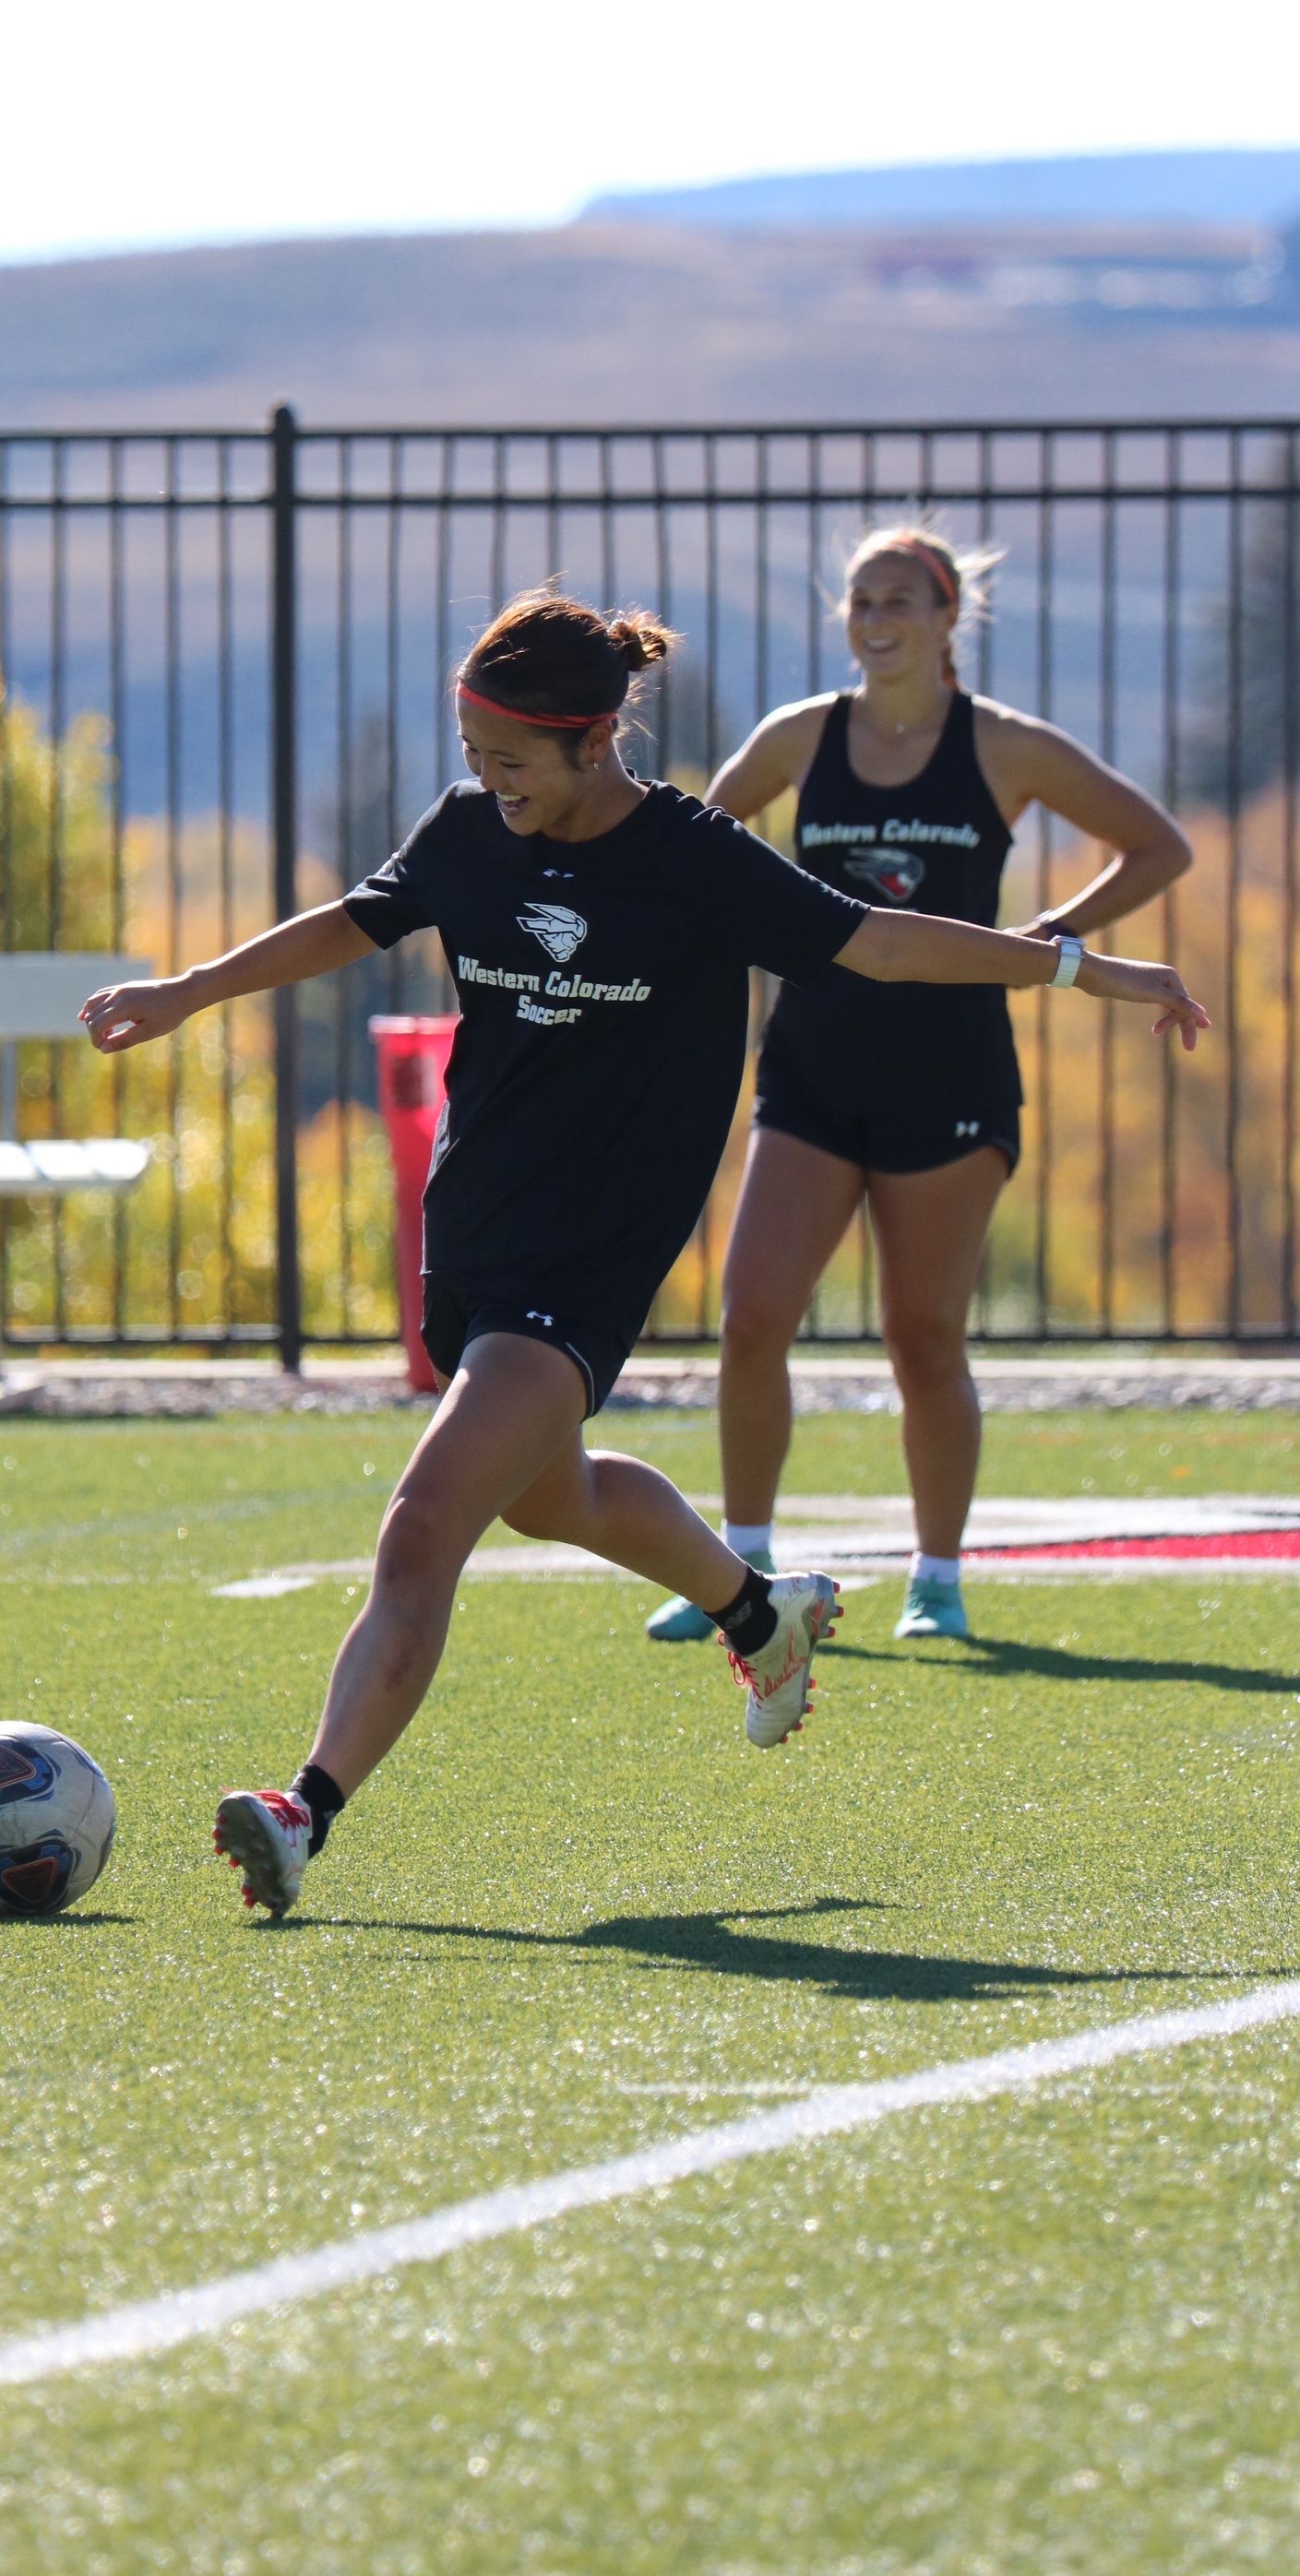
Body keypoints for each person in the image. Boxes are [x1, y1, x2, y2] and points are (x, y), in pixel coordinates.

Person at [81, 589, 1206, 1919]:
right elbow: (358, 919)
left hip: (594, 1251)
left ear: (597, 739)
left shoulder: (695, 857)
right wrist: (185, 990)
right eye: (474, 754)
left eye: (512, 762)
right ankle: (759, 1616)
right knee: (552, 1500)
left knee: (426, 1522)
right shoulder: (465, 830)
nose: (487, 785)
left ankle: (301, 1810)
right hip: (478, 1224)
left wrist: (1083, 968)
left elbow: (886, 946)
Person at [646, 526, 1196, 1648]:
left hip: (950, 1078)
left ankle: (935, 1579)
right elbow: (691, 849)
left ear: (951, 621)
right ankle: (737, 1570)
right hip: (810, 1069)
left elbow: (1157, 846)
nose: (877, 618)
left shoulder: (1006, 748)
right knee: (752, 1317)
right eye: (860, 600)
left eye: (901, 600)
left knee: (922, 1335)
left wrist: (1053, 937)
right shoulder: (801, 735)